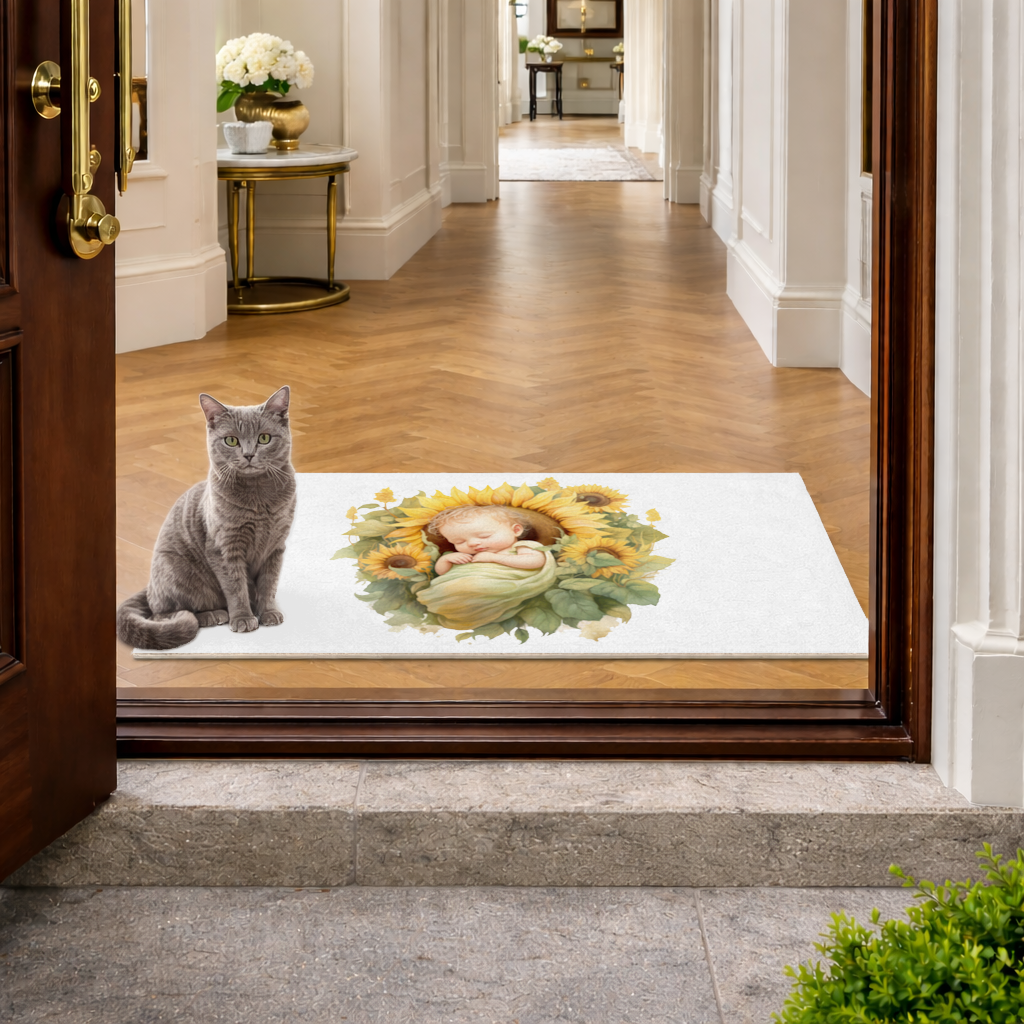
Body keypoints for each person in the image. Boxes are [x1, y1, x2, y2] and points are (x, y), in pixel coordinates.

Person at [416, 505, 557, 630]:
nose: (472, 543)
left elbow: (535, 561)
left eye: (484, 536)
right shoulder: (468, 555)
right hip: (461, 589)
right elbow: (444, 574)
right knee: (449, 591)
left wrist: (494, 558)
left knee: (478, 588)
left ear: (516, 530)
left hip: (501, 585)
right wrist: (446, 560)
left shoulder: (522, 547)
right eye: (459, 542)